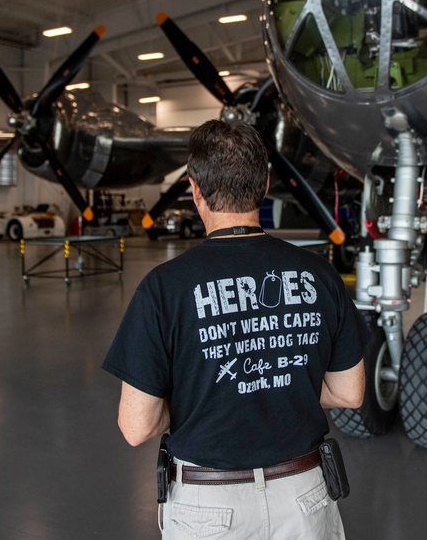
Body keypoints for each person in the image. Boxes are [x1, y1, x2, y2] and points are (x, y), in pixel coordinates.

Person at [102, 119, 370, 539]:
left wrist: (212, 394)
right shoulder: (319, 273)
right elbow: (349, 392)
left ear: (194, 190)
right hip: (304, 497)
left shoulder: (164, 288)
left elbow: (136, 426)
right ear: (264, 184)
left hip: (207, 509)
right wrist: (276, 380)